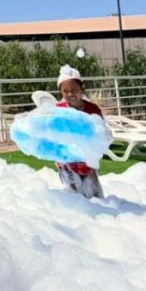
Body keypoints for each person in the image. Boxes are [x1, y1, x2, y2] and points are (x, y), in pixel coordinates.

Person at [55, 64, 106, 199]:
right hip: (66, 163)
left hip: (87, 161)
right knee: (74, 197)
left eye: (74, 90)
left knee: (95, 196)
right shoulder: (58, 110)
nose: (70, 94)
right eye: (65, 91)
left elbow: (101, 132)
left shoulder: (92, 109)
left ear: (82, 89)